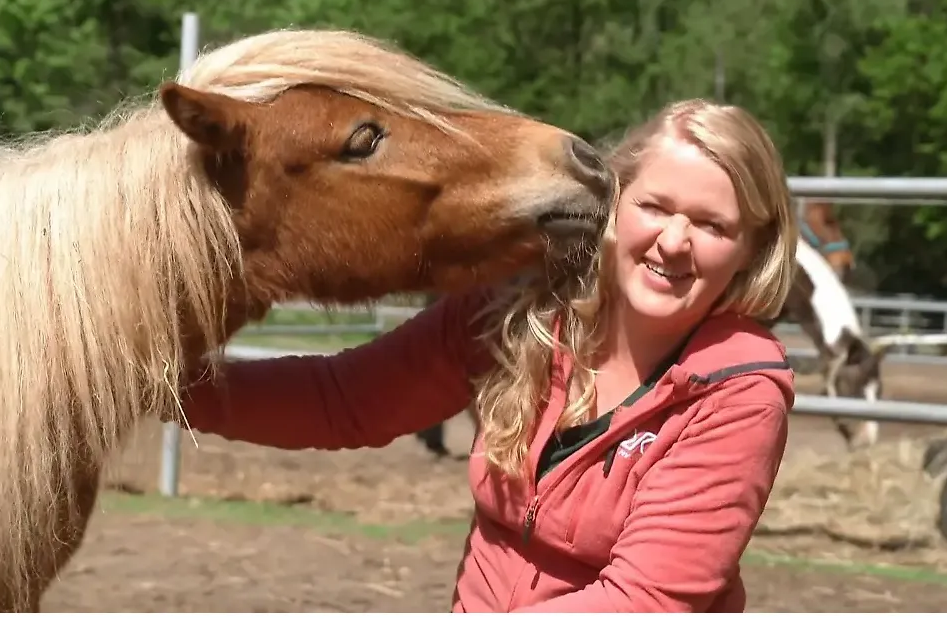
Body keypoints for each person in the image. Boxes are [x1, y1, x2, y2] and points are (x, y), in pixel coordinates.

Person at [178, 98, 799, 613]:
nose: (673, 242)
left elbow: (647, 599)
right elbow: (346, 401)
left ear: (751, 249)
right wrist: (162, 390)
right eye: (655, 207)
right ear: (616, 201)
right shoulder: (520, 307)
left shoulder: (737, 390)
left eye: (713, 226)